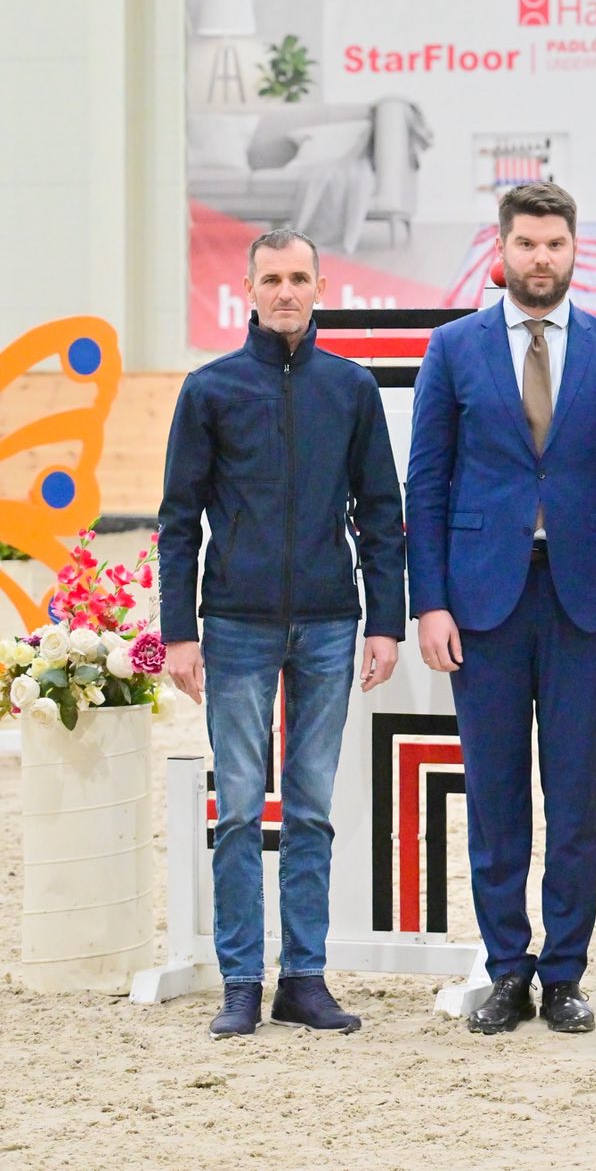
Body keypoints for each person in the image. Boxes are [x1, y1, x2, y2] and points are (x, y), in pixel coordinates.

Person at [408, 181, 596, 1036]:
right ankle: (508, 971)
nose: (541, 258)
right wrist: (429, 602)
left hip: (586, 601)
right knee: (495, 796)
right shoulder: (453, 349)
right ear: (502, 250)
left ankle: (564, 975)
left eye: (555, 244)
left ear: (574, 250)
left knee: (576, 797)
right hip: (482, 602)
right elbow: (427, 485)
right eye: (527, 243)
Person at [158, 228, 406, 1039]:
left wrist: (385, 622)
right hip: (234, 625)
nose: (287, 292)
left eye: (300, 278)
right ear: (249, 290)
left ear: (320, 288)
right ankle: (241, 982)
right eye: (273, 279)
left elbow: (381, 512)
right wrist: (179, 632)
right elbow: (178, 521)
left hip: (331, 624)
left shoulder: (351, 388)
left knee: (310, 809)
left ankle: (303, 978)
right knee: (237, 810)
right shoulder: (210, 390)